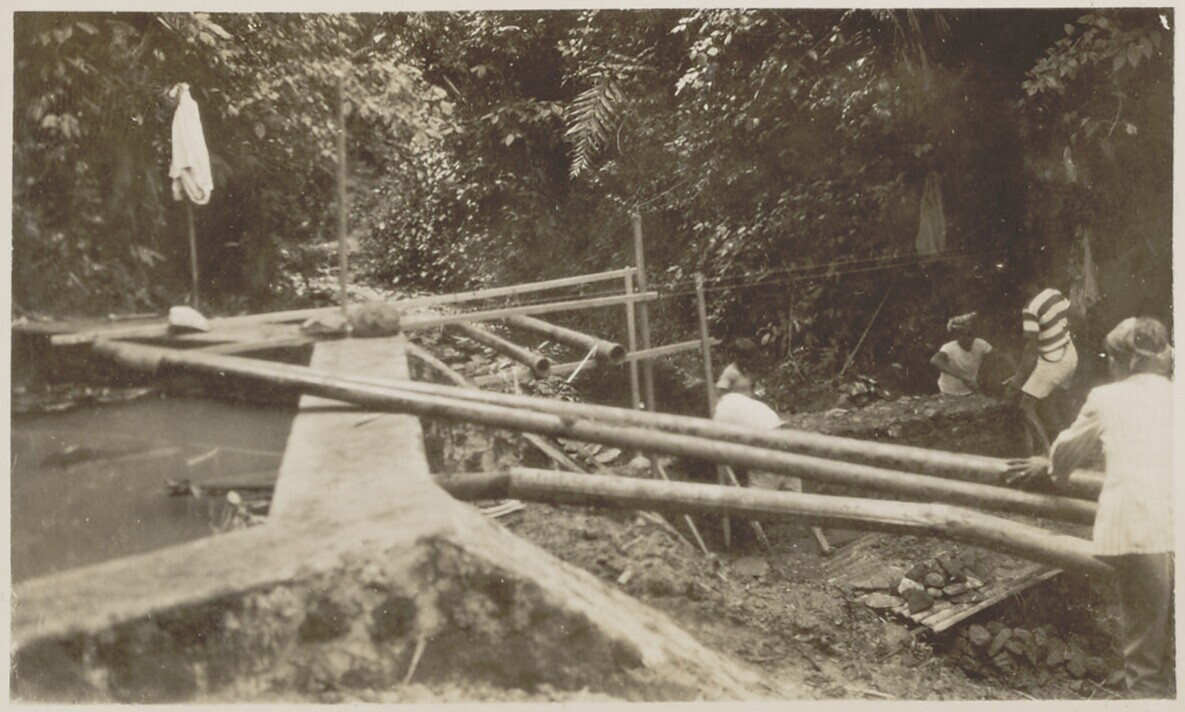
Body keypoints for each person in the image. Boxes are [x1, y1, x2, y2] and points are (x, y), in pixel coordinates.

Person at [1006, 317, 1174, 698]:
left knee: (1144, 660)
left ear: (1125, 361)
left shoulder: (1106, 398)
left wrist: (1050, 467)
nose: (1109, 366)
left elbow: (1066, 453)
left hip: (1140, 532)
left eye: (1111, 359)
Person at [1006, 284, 1078, 451]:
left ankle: (1048, 452)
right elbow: (1076, 317)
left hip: (1054, 361)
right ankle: (1065, 447)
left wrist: (1017, 381)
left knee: (1026, 406)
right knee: (1048, 402)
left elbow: (1031, 350)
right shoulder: (1053, 293)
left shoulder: (1030, 308)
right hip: (1069, 353)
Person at [713, 392, 801, 493]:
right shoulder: (732, 396)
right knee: (789, 484)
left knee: (761, 493)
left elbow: (720, 452)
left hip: (764, 440)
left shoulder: (718, 414)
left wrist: (733, 482)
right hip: (778, 431)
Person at [931, 312, 993, 396]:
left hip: (970, 392)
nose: (969, 339)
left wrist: (983, 374)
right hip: (949, 392)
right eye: (964, 335)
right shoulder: (949, 348)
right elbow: (935, 360)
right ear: (957, 335)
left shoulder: (981, 344)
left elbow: (993, 356)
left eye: (971, 335)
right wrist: (962, 377)